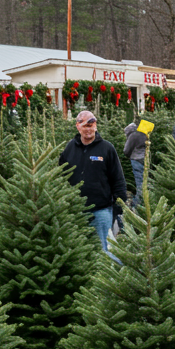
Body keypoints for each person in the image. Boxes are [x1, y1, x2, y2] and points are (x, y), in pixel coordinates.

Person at [59, 109, 127, 263]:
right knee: (78, 250)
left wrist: (118, 207)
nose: (89, 129)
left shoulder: (106, 148)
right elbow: (61, 175)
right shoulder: (70, 148)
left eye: (92, 125)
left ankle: (111, 281)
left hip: (101, 210)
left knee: (104, 250)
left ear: (96, 126)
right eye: (85, 125)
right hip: (74, 211)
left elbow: (118, 179)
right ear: (78, 126)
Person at [122, 122, 148, 207]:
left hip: (136, 159)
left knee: (139, 182)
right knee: (144, 180)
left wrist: (129, 156)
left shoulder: (133, 136)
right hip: (145, 159)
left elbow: (126, 150)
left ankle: (138, 203)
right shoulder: (143, 133)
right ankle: (146, 200)